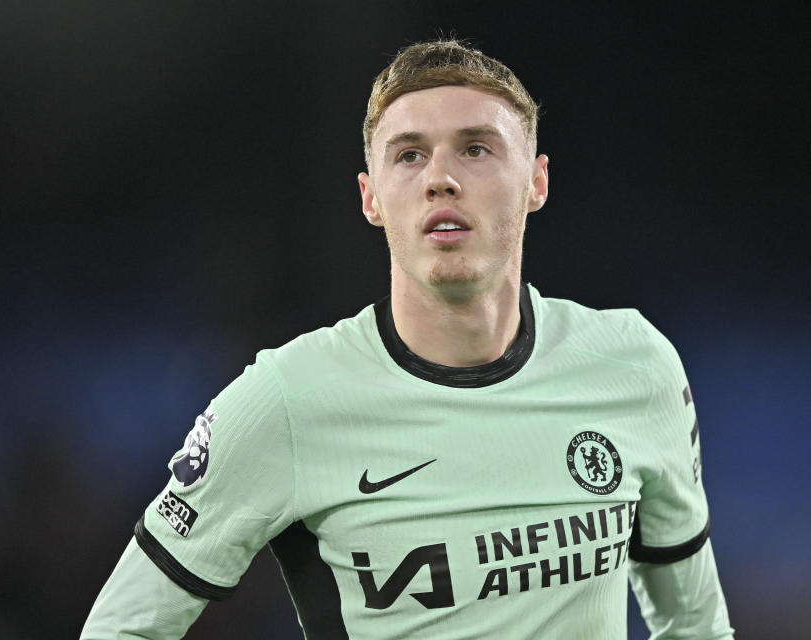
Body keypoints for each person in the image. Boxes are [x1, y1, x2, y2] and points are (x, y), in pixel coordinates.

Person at [81, 39, 733, 639]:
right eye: (409, 154)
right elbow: (121, 628)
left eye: (476, 148)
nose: (440, 178)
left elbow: (697, 627)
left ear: (537, 181)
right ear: (371, 197)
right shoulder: (286, 398)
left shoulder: (633, 366)